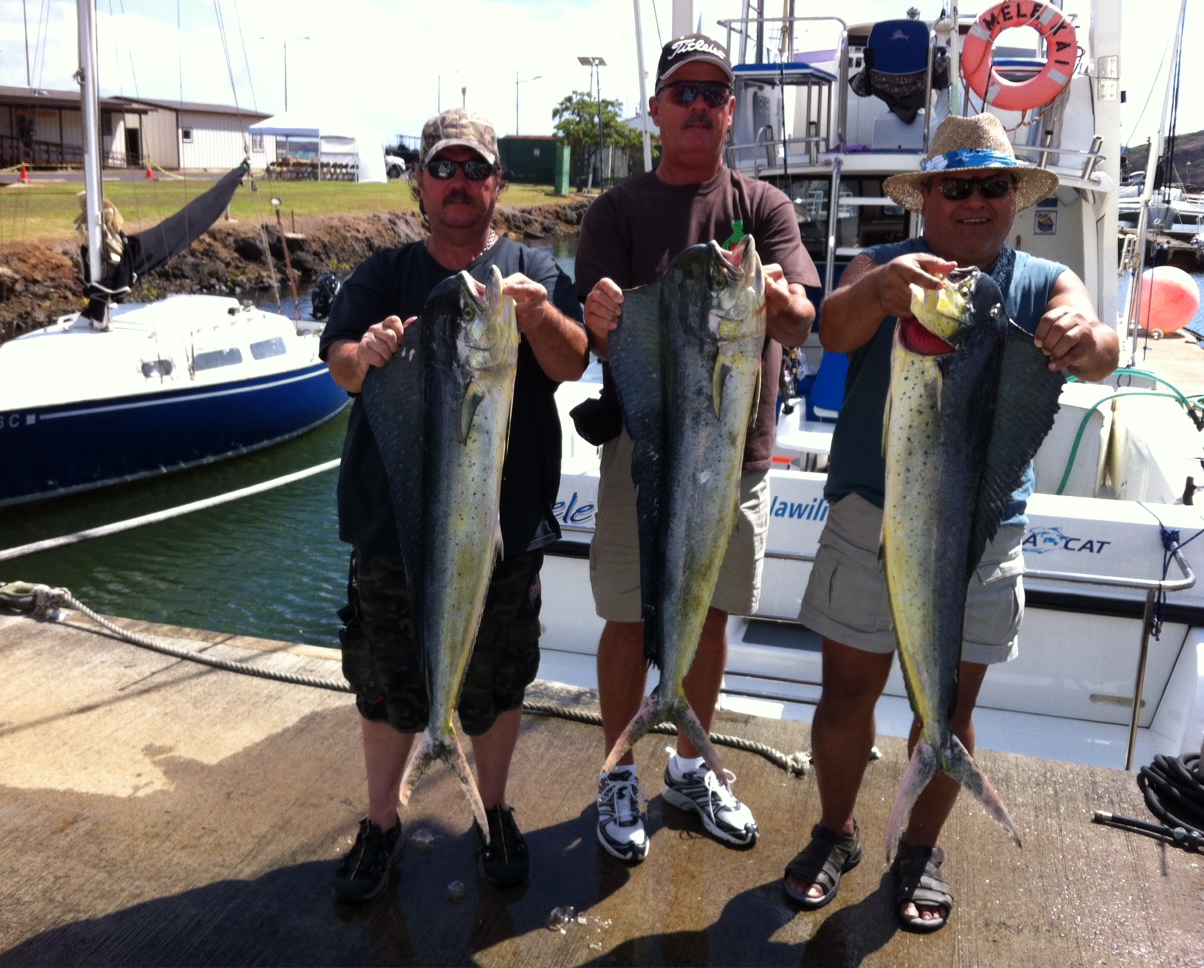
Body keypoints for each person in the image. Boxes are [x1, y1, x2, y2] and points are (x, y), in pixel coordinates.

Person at [784, 112, 1119, 930]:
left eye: (991, 186)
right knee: (846, 692)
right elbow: (832, 329)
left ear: (1014, 198)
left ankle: (919, 850)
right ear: (926, 199)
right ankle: (836, 830)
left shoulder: (1045, 280)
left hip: (984, 530)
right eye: (956, 187)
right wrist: (879, 293)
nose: (974, 201)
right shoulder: (884, 267)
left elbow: (1104, 349)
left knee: (950, 705)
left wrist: (1087, 336)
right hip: (872, 517)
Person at [322, 108, 588, 902]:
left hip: (503, 529)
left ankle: (492, 810)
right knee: (385, 681)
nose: (460, 183)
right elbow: (339, 359)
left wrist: (537, 314)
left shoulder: (530, 267)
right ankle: (381, 821)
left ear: (497, 183)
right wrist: (367, 355)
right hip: (388, 528)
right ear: (421, 182)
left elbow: (572, 360)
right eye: (444, 168)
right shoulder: (384, 272)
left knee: (498, 681)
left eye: (476, 169)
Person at [576, 33, 820, 863]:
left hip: (737, 458)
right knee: (627, 617)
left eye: (714, 94)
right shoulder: (615, 212)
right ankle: (618, 771)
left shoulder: (764, 206)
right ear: (655, 109)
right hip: (643, 453)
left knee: (710, 614)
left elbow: (801, 318)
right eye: (683, 92)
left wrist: (782, 303)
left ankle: (688, 766)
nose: (699, 107)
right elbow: (593, 336)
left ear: (730, 111)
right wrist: (597, 319)